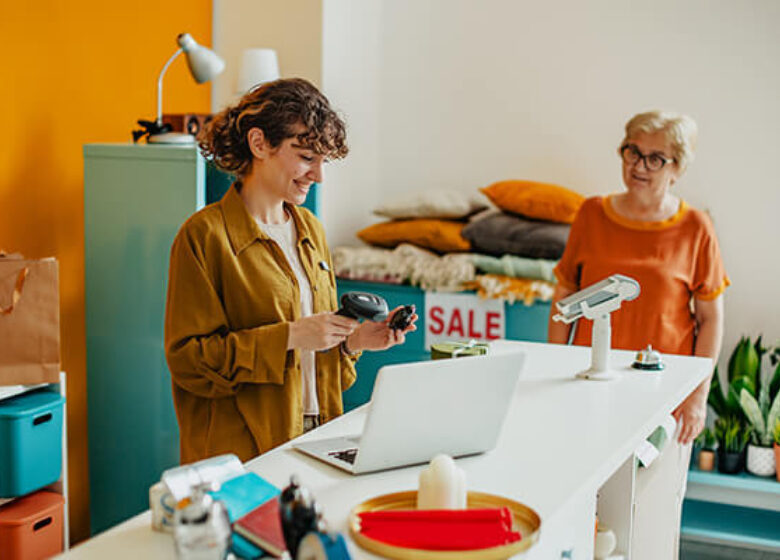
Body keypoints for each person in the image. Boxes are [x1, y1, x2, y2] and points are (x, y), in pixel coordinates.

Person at [164, 78, 417, 464]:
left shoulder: (310, 230)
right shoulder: (204, 236)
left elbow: (318, 359)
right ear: (259, 143)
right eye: (306, 157)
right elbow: (189, 361)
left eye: (323, 160)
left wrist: (356, 341)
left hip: (316, 437)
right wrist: (290, 336)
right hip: (242, 452)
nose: (318, 175)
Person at [548, 110, 728, 559]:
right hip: (592, 387)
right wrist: (553, 368)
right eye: (632, 151)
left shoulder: (695, 228)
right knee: (590, 514)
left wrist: (697, 397)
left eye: (655, 158)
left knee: (651, 517)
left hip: (664, 395)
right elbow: (565, 298)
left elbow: (710, 319)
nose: (639, 166)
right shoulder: (591, 214)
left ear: (677, 168)